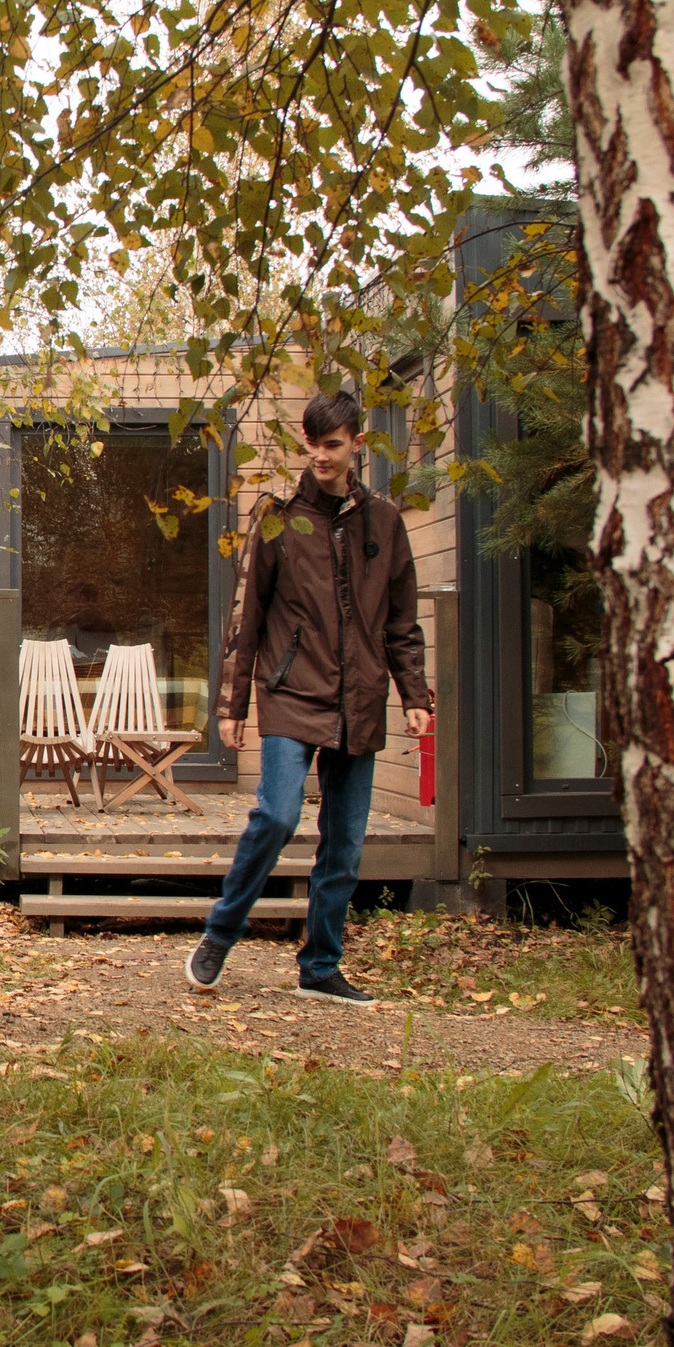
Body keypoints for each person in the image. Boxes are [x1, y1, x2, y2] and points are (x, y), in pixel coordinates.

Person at [186, 391, 433, 1005]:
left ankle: (320, 965)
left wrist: (415, 692)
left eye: (332, 445)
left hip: (361, 700)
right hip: (292, 690)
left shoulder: (385, 522)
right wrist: (230, 705)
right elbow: (248, 615)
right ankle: (221, 930)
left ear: (356, 446)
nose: (320, 456)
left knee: (345, 844)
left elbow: (402, 620)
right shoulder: (277, 516)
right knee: (277, 813)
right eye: (312, 444)